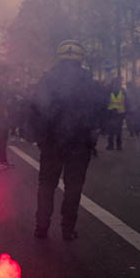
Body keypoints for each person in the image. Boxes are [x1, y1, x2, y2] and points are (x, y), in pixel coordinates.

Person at [29, 40, 107, 240]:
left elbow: (35, 108)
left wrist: (40, 137)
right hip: (79, 144)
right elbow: (99, 111)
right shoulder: (89, 83)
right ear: (81, 59)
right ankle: (67, 229)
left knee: (47, 185)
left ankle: (41, 226)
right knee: (73, 187)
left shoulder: (47, 80)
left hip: (52, 142)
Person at [105, 78, 127, 150]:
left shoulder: (123, 91)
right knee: (112, 130)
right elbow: (105, 101)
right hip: (111, 113)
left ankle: (116, 145)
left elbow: (127, 102)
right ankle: (113, 145)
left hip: (119, 114)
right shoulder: (109, 91)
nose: (117, 84)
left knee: (118, 131)